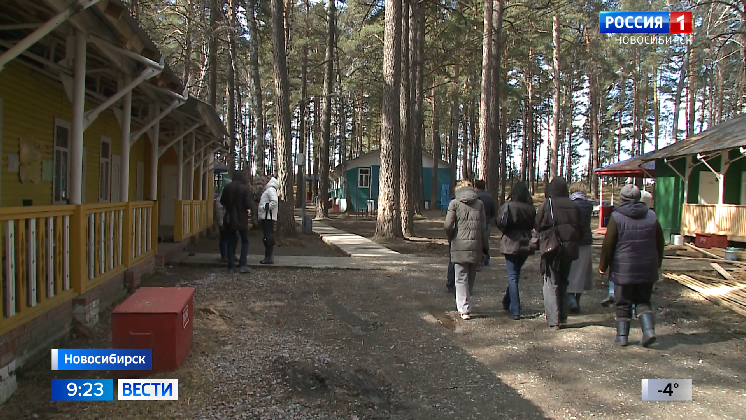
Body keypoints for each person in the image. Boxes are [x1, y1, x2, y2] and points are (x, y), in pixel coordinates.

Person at [599, 184, 664, 347]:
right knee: (643, 301)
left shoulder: (617, 217)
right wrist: (657, 263)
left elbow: (608, 244)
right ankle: (648, 331)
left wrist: (603, 265)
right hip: (647, 267)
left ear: (622, 199)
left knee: (623, 302)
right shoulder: (651, 216)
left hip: (624, 269)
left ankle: (622, 337)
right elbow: (660, 242)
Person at [536, 177, 583, 330]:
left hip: (552, 247)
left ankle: (553, 319)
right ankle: (563, 315)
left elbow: (538, 224)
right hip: (569, 249)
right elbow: (581, 228)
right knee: (564, 282)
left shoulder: (548, 204)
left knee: (551, 282)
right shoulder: (574, 206)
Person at [444, 180, 490, 320]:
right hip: (475, 244)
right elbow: (483, 229)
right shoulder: (479, 204)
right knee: (471, 276)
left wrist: (451, 237)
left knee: (460, 277)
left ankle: (464, 308)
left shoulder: (454, 203)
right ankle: (466, 303)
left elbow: (448, 225)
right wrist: (485, 247)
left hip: (459, 244)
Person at [497, 182, 536, 320]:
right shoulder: (530, 208)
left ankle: (515, 309)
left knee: (513, 276)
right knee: (515, 275)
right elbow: (534, 224)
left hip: (511, 243)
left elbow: (500, 223)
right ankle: (507, 301)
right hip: (526, 243)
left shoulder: (509, 206)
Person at [567, 188, 594, 314]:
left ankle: (570, 297)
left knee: (571, 271)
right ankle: (576, 300)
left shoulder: (570, 204)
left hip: (572, 240)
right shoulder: (589, 205)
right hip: (586, 241)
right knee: (582, 273)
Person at [220, 172, 252, 273]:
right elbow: (248, 204)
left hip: (230, 218)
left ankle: (231, 266)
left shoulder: (227, 188)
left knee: (230, 241)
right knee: (245, 241)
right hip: (242, 218)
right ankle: (243, 264)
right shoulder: (245, 188)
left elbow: (222, 201)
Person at [257, 176, 280, 264]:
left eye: (263, 180)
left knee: (268, 237)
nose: (263, 183)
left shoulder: (270, 190)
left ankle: (269, 257)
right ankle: (268, 257)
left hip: (268, 216)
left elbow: (274, 202)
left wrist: (265, 207)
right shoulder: (270, 190)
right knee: (267, 237)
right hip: (267, 216)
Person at [474, 180, 496, 266]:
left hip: (476, 222)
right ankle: (486, 259)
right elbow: (493, 211)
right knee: (485, 241)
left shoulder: (475, 197)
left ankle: (478, 260)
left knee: (476, 242)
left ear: (476, 187)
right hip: (486, 222)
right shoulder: (489, 198)